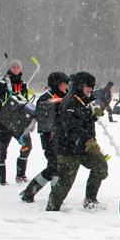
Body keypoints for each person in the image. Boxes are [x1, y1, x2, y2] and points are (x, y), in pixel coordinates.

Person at [46, 72, 109, 211]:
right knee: (65, 182)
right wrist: (86, 142)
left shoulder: (83, 100)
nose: (90, 89)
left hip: (84, 147)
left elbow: (83, 121)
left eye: (92, 86)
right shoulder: (69, 103)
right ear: (80, 86)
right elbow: (72, 128)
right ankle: (52, 208)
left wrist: (93, 116)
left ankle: (90, 199)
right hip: (68, 149)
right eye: (88, 86)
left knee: (101, 167)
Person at [20, 72, 69, 203]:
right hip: (50, 139)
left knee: (54, 168)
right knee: (55, 167)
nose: (66, 86)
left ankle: (31, 193)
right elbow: (45, 121)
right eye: (63, 83)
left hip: (63, 139)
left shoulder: (67, 97)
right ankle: (54, 197)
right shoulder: (45, 98)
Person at [0, 60, 34, 185]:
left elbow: (26, 102)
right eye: (13, 67)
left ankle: (20, 175)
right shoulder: (1, 83)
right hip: (3, 120)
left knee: (27, 145)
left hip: (18, 121)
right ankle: (1, 179)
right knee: (2, 149)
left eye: (18, 67)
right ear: (10, 68)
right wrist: (3, 103)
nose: (15, 69)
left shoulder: (23, 85)